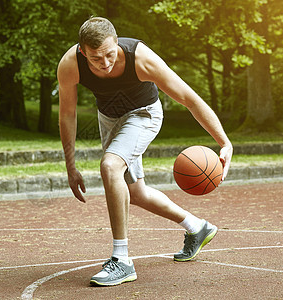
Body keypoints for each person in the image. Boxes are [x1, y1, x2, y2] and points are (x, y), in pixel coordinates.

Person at [57, 16, 233, 287]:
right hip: (109, 119)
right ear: (82, 51)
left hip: (144, 114)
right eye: (95, 59)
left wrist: (224, 142)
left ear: (117, 42)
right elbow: (67, 114)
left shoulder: (141, 58)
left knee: (110, 166)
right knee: (134, 193)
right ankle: (197, 227)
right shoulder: (71, 64)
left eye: (109, 54)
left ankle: (122, 260)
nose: (104, 64)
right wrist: (71, 166)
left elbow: (189, 98)